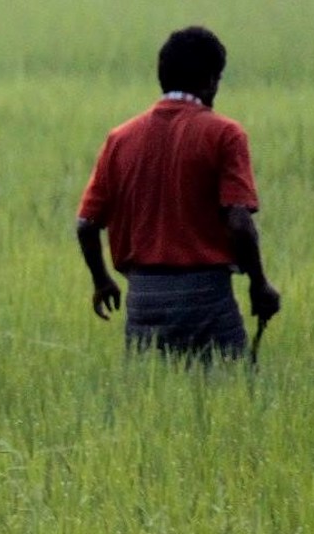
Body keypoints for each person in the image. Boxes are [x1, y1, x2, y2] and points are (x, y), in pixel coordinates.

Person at [75, 26, 280, 363]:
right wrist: (259, 284)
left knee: (149, 399)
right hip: (206, 298)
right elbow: (239, 223)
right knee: (228, 395)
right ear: (211, 80)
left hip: (143, 299)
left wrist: (102, 281)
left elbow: (86, 225)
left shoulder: (121, 138)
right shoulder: (225, 134)